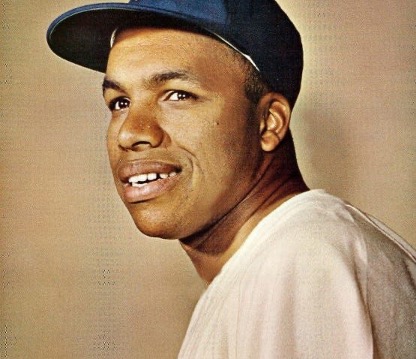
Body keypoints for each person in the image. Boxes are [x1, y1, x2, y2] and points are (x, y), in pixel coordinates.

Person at [47, 0, 416, 357]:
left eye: (177, 95)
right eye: (120, 103)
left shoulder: (302, 260)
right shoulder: (265, 264)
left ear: (269, 121)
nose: (130, 133)